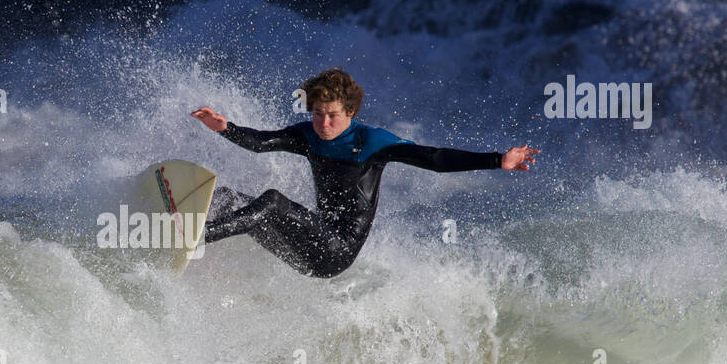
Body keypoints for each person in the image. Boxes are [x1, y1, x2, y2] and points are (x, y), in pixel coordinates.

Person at [191, 67, 538, 278]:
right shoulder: (308, 135)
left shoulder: (372, 142)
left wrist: (497, 160)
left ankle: (194, 239)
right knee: (226, 198)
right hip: (304, 250)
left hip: (335, 253)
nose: (324, 124)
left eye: (333, 116)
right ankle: (173, 227)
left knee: (271, 202)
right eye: (318, 114)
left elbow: (434, 159)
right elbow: (262, 142)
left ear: (351, 112)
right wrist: (225, 128)